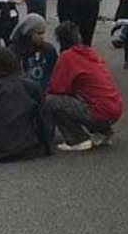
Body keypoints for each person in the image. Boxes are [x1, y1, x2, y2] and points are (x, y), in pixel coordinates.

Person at [46, 21, 123, 152]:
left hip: (99, 112)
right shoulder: (89, 53)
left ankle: (77, 139)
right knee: (87, 96)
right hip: (114, 108)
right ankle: (103, 131)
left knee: (51, 101)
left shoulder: (67, 56)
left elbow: (56, 88)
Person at [9, 13, 58, 91]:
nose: (43, 37)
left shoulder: (49, 50)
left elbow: (55, 72)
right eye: (39, 33)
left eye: (43, 33)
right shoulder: (14, 52)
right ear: (28, 34)